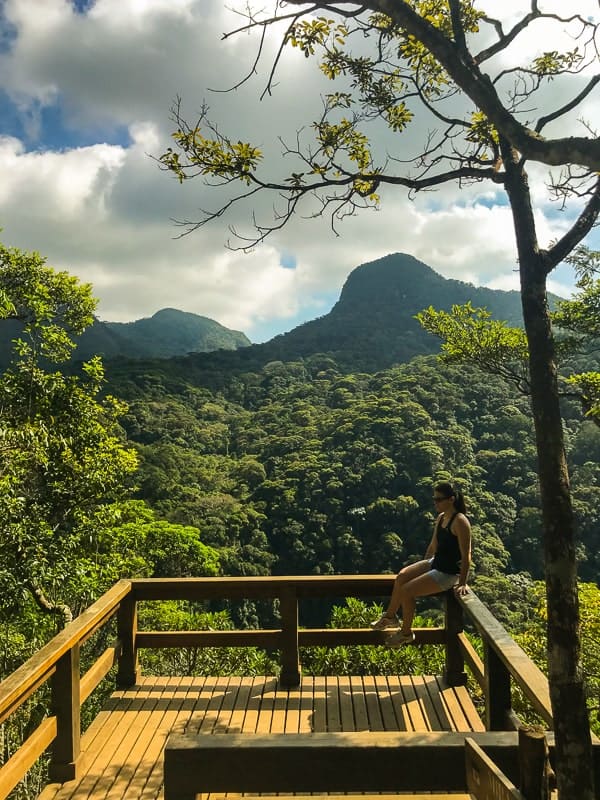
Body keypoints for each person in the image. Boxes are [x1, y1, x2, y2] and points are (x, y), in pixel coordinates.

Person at [370, 481, 472, 647]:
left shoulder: (460, 521)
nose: (435, 502)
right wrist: (424, 566)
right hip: (436, 563)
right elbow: (433, 545)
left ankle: (405, 633)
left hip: (449, 573)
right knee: (402, 576)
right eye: (435, 499)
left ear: (451, 499)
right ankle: (390, 617)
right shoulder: (441, 518)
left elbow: (466, 554)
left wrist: (462, 582)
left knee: (407, 591)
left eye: (439, 499)